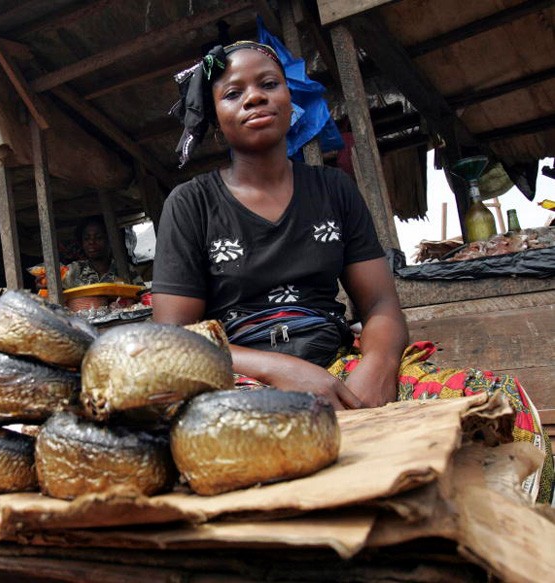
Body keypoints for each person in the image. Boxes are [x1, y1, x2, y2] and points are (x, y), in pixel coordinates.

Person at [153, 40, 552, 502]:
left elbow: (380, 302)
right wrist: (280, 370)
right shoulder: (191, 204)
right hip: (242, 382)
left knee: (497, 401)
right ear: (215, 120)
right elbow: (175, 339)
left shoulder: (334, 191)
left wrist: (376, 367)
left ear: (290, 97)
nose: (255, 98)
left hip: (340, 370)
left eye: (268, 84)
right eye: (233, 93)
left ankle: (498, 549)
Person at [62, 216, 143, 289]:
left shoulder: (125, 269)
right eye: (87, 238)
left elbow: (142, 294)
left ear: (109, 240)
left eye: (98, 237)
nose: (91, 242)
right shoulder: (75, 269)